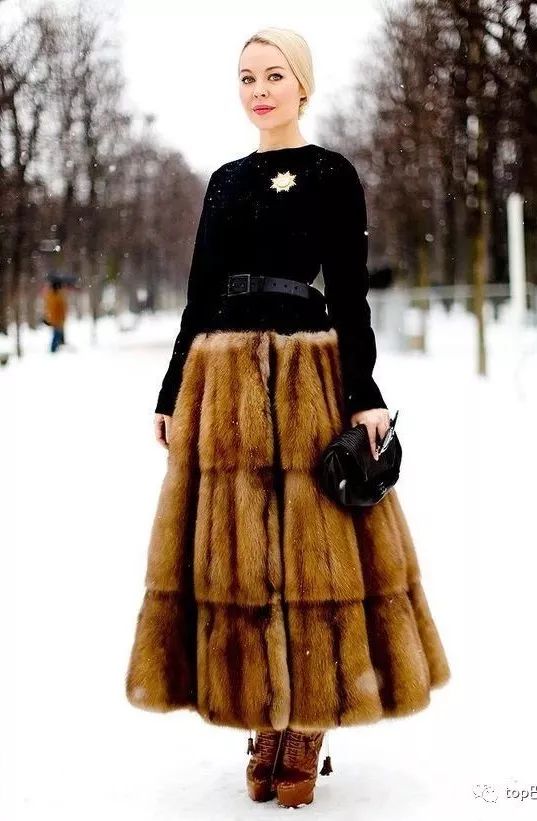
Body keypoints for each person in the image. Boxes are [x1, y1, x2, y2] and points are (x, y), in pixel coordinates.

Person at [125, 27, 451, 810]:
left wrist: (363, 392)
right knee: (237, 560)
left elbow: (350, 293)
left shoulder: (330, 174)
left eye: (274, 75)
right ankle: (262, 716)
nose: (259, 90)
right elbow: (198, 298)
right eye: (247, 77)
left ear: (302, 84)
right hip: (224, 383)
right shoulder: (224, 180)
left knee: (314, 558)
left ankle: (305, 723)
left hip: (307, 375)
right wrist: (171, 393)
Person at [43, 280, 67, 352]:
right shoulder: (55, 296)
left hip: (56, 319)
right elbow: (60, 308)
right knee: (57, 334)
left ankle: (56, 347)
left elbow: (62, 308)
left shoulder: (52, 296)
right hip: (56, 319)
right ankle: (53, 349)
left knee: (57, 333)